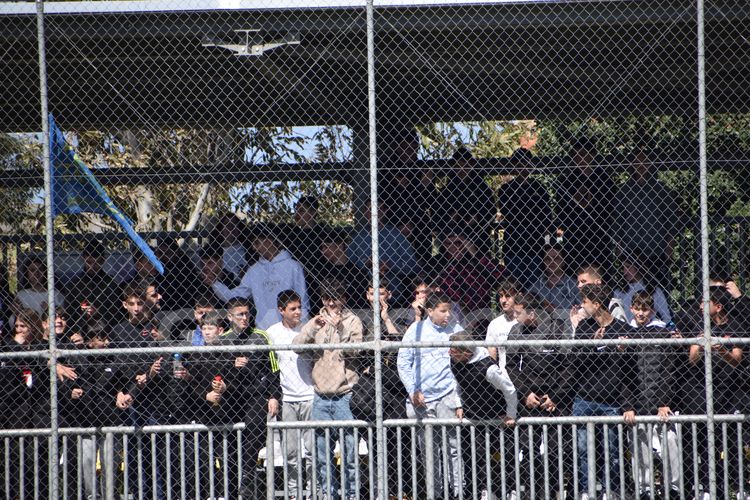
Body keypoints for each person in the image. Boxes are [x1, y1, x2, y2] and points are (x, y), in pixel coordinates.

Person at [294, 280, 363, 500]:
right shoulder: (316, 321)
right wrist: (313, 327)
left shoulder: (353, 320)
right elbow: (296, 347)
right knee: (323, 455)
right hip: (321, 396)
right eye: (327, 300)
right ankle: (328, 495)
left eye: (336, 300)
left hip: (345, 395)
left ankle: (351, 495)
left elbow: (356, 351)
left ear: (343, 299)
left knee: (350, 454)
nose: (332, 305)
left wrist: (341, 329)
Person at [570, 284, 636, 497]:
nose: (582, 306)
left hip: (611, 400)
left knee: (612, 451)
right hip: (585, 398)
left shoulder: (623, 330)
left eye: (585, 302)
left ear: (597, 304)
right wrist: (592, 344)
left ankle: (611, 490)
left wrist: (625, 351)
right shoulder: (584, 328)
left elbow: (631, 373)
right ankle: (586, 490)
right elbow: (575, 363)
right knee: (583, 450)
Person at [397, 292, 464, 499]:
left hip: (447, 395)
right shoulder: (415, 331)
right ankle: (436, 493)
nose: (448, 315)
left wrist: (458, 400)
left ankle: (458, 492)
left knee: (454, 447)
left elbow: (465, 364)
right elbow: (403, 363)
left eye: (449, 310)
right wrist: (412, 390)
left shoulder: (455, 330)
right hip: (422, 400)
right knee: (429, 451)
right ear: (430, 311)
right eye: (443, 311)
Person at [505, 293, 572, 498]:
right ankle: (531, 492)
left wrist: (556, 396)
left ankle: (552, 491)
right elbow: (511, 366)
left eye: (519, 313)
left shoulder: (558, 328)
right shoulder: (517, 331)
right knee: (528, 448)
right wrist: (526, 393)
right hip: (530, 398)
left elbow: (567, 367)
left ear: (532, 313)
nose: (515, 317)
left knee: (555, 449)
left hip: (554, 398)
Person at [449, 330, 516, 500]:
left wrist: (510, 415)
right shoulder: (455, 361)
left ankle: (507, 491)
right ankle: (482, 491)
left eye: (453, 351)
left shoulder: (488, 369)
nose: (449, 353)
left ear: (466, 353)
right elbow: (457, 382)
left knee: (500, 457)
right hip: (474, 417)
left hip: (496, 418)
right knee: (476, 457)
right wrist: (459, 404)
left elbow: (509, 390)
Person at [626, 291, 681, 497]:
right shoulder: (627, 333)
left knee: (670, 440)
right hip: (637, 401)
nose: (641, 313)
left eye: (645, 309)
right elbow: (624, 374)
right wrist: (628, 405)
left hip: (660, 400)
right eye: (637, 309)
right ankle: (644, 489)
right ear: (631, 309)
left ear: (652, 310)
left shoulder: (662, 332)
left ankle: (673, 487)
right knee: (639, 445)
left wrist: (663, 402)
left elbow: (668, 371)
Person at [611, 148, 681, 290]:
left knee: (658, 287)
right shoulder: (624, 191)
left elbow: (671, 218)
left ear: (651, 164)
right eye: (637, 162)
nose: (641, 165)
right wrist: (619, 245)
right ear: (632, 165)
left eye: (645, 161)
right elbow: (618, 219)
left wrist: (669, 245)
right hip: (631, 249)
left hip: (656, 248)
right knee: (631, 287)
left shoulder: (661, 189)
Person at [267, 290, 314, 499]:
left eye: (299, 308)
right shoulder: (272, 333)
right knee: (291, 452)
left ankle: (313, 492)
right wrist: (273, 395)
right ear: (281, 310)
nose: (298, 312)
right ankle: (294, 493)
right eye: (292, 309)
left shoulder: (307, 329)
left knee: (312, 451)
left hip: (309, 395)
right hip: (287, 398)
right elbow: (270, 367)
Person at [213, 227, 309, 330]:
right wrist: (214, 283)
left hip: (291, 329)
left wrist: (301, 327)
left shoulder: (293, 266)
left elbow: (303, 301)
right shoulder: (254, 270)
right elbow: (235, 296)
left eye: (257, 243)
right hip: (264, 330)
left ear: (270, 241)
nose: (254, 248)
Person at [555, 137, 616, 273]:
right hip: (574, 237)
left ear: (592, 155)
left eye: (583, 154)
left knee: (601, 273)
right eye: (576, 155)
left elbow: (610, 209)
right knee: (574, 274)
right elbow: (561, 212)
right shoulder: (566, 181)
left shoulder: (603, 179)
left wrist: (591, 203)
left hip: (599, 236)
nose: (580, 159)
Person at [497, 147, 554, 288]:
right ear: (513, 165)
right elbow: (509, 211)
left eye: (525, 163)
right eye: (518, 163)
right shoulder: (506, 189)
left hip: (535, 244)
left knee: (535, 286)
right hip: (514, 244)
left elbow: (546, 215)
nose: (522, 167)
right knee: (514, 285)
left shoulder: (539, 187)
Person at [347, 198, 419, 306]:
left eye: (379, 209)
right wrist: (365, 263)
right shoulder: (358, 238)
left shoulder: (396, 235)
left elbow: (413, 266)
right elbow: (348, 264)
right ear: (365, 212)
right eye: (370, 209)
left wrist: (390, 265)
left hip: (394, 296)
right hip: (363, 297)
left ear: (385, 211)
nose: (374, 213)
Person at [434, 147, 497, 254]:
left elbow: (491, 210)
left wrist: (478, 217)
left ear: (471, 166)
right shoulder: (447, 190)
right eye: (458, 166)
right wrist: (450, 218)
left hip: (477, 235)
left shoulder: (481, 188)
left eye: (466, 166)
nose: (462, 170)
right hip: (452, 237)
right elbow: (437, 215)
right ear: (453, 168)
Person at [432, 225, 504, 313]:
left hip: (479, 312)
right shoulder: (437, 262)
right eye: (449, 244)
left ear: (467, 242)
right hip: (448, 312)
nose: (454, 247)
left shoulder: (478, 258)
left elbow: (501, 277)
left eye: (458, 243)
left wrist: (475, 254)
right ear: (443, 244)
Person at [61, 241, 120, 328]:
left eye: (97, 262)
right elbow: (69, 313)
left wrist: (98, 312)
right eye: (89, 262)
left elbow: (117, 313)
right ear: (84, 259)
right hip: (80, 329)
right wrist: (82, 310)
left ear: (103, 260)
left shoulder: (111, 284)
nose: (92, 267)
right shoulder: (74, 285)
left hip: (106, 329)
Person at [614, 252, 672, 324]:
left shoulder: (654, 290)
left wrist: (659, 328)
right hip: (626, 329)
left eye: (628, 267)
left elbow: (666, 317)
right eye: (623, 267)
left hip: (649, 329)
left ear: (638, 266)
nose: (625, 271)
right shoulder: (619, 292)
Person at [486, 278, 523, 368]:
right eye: (501, 296)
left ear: (519, 296)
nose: (503, 300)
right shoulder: (495, 324)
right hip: (504, 373)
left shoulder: (528, 321)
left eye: (508, 296)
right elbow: (492, 353)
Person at [529, 244, 579, 310]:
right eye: (547, 259)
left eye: (556, 258)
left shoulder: (574, 285)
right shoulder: (536, 285)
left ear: (563, 262)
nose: (551, 262)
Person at [285, 196, 322, 274]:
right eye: (296, 210)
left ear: (313, 213)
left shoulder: (322, 234)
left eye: (301, 211)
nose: (297, 214)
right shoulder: (292, 235)